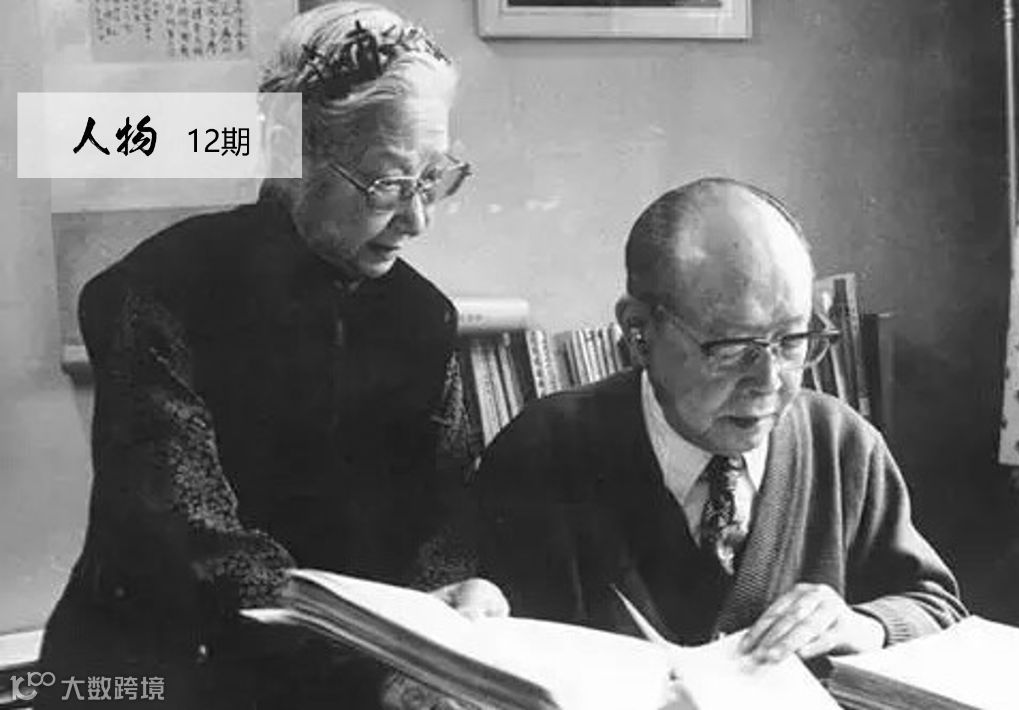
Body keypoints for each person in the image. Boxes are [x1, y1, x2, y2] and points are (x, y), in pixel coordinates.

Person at [38, 4, 506, 709]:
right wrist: (383, 658)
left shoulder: (423, 317)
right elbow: (198, 545)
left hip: (353, 674)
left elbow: (448, 512)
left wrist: (454, 598)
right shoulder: (151, 295)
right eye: (387, 184)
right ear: (290, 150)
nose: (417, 219)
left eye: (433, 178)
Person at [475, 178, 966, 665]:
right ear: (640, 332)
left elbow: (935, 606)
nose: (769, 381)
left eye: (792, 340)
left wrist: (864, 625)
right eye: (732, 348)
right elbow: (474, 628)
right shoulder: (543, 449)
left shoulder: (842, 445)